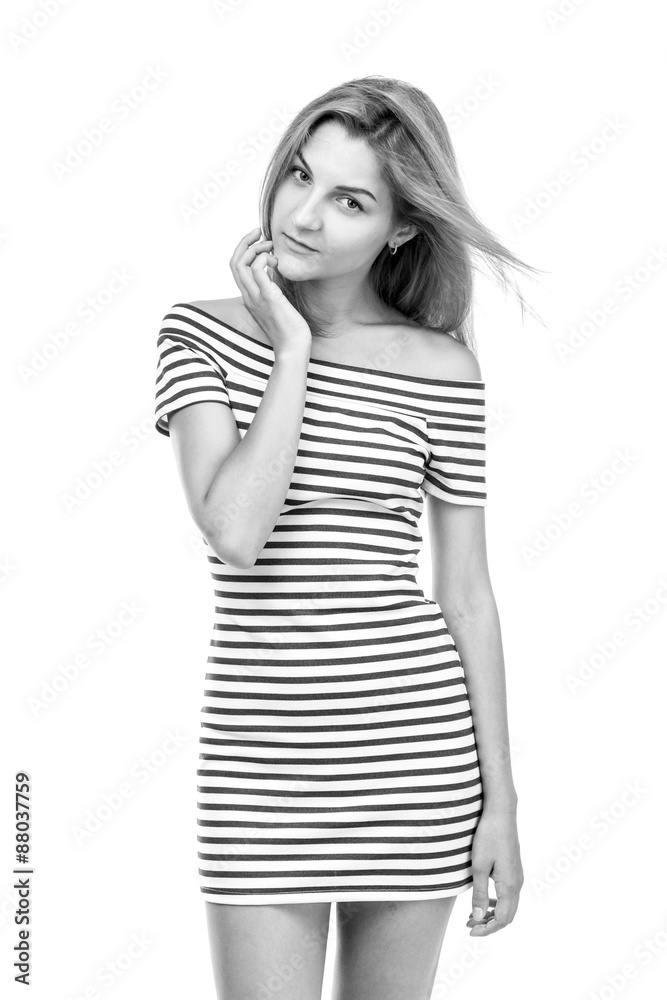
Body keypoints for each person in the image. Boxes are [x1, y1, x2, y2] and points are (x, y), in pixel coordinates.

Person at [154, 74, 539, 1000]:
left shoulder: (442, 368)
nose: (306, 215)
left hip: (413, 758)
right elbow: (237, 532)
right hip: (258, 762)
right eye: (299, 176)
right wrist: (290, 348)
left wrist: (502, 804)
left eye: (350, 199)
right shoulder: (199, 336)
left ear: (401, 228)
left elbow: (466, 593)